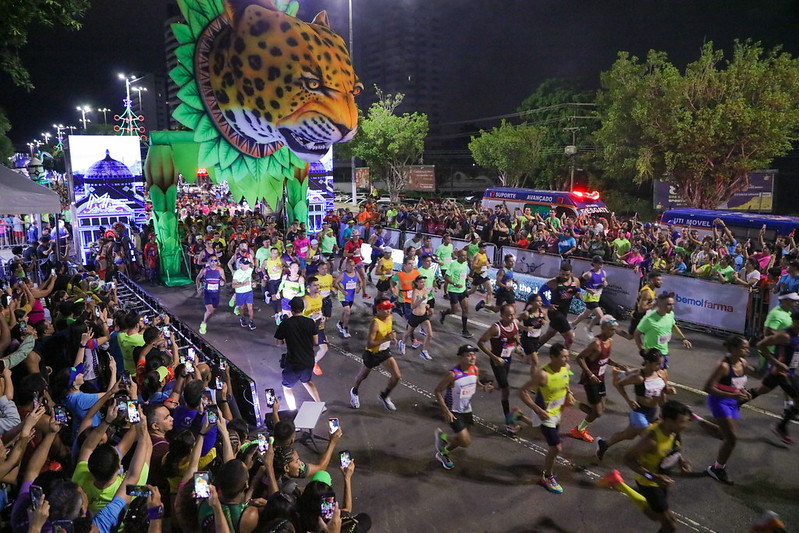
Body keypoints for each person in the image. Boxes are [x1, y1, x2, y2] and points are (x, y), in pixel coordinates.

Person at [597, 400, 693, 533]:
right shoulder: (651, 440)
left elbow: (673, 446)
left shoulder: (673, 431)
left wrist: (681, 460)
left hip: (661, 479)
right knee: (670, 526)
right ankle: (618, 483)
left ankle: (618, 483)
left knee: (655, 516)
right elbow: (628, 459)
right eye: (682, 422)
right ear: (669, 421)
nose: (685, 425)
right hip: (649, 482)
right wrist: (652, 476)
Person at [595, 349, 675, 461]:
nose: (661, 366)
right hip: (639, 412)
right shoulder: (639, 377)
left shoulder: (662, 373)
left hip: (653, 411)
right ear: (648, 363)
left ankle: (603, 444)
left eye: (661, 363)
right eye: (658, 363)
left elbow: (664, 389)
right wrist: (628, 400)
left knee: (628, 435)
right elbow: (619, 384)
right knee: (649, 439)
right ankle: (656, 462)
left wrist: (669, 390)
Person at [518, 343, 574, 494]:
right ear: (553, 357)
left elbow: (565, 380)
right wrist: (538, 410)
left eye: (567, 356)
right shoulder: (543, 375)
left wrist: (568, 392)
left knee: (540, 434)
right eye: (563, 356)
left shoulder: (566, 368)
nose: (567, 359)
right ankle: (547, 477)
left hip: (557, 412)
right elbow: (522, 392)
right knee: (556, 447)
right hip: (544, 413)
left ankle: (519, 417)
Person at [433, 344, 495, 469]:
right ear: (460, 357)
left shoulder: (474, 369)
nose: (472, 358)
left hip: (467, 408)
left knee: (461, 439)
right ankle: (443, 437)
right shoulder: (453, 374)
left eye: (474, 354)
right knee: (465, 441)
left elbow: (475, 383)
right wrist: (446, 411)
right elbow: (437, 391)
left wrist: (484, 387)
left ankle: (443, 453)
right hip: (453, 410)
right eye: (468, 355)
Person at [701, 335, 752, 485]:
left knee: (724, 435)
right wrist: (732, 395)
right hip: (719, 402)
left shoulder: (743, 362)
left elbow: (739, 384)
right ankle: (717, 469)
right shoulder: (723, 366)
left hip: (733, 402)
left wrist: (745, 392)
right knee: (731, 438)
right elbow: (707, 388)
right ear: (735, 348)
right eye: (745, 348)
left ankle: (698, 420)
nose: (748, 350)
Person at [571, 315, 629, 443]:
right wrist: (590, 374)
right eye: (610, 330)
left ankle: (571, 402)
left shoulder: (609, 341)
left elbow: (604, 358)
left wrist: (616, 364)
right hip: (591, 380)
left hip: (600, 379)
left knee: (600, 410)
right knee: (597, 412)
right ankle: (578, 430)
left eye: (614, 330)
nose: (612, 333)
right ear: (602, 328)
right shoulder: (596, 343)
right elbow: (579, 358)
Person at [752, 309, 799, 445]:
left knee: (761, 390)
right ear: (796, 321)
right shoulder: (784, 335)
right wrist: (777, 363)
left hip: (789, 373)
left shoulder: (797, 333)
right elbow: (761, 345)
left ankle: (734, 403)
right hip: (781, 373)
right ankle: (781, 427)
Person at [477, 303, 523, 434]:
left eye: (513, 314)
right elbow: (480, 342)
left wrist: (518, 345)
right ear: (502, 315)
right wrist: (494, 357)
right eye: (509, 315)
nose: (512, 317)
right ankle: (509, 423)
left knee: (503, 386)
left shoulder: (515, 323)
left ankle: (489, 384)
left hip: (508, 359)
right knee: (506, 389)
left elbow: (516, 334)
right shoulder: (495, 328)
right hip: (497, 362)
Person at [349, 298, 400, 411]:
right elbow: (370, 344)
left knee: (397, 376)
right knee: (362, 376)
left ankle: (384, 396)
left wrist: (393, 337)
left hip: (384, 352)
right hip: (372, 354)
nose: (389, 311)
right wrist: (386, 339)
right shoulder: (375, 323)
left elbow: (388, 331)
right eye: (386, 309)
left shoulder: (390, 318)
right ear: (379, 310)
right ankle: (354, 391)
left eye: (390, 308)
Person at [275, 297, 321, 410]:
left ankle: (293, 410)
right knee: (307, 381)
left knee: (286, 387)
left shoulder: (286, 323)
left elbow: (278, 343)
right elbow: (315, 342)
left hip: (293, 363)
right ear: (303, 308)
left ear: (291, 310)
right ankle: (319, 404)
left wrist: (288, 338)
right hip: (308, 360)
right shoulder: (310, 322)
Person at [634, 291, 692, 369]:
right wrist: (643, 351)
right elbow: (637, 334)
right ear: (659, 305)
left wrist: (683, 338)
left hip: (664, 352)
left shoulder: (670, 314)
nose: (672, 307)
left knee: (661, 376)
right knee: (655, 376)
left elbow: (673, 326)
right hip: (652, 354)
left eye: (673, 304)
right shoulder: (648, 319)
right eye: (668, 305)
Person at [536, 261, 582, 351]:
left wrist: (578, 293)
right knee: (570, 337)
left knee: (550, 333)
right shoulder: (554, 282)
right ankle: (564, 355)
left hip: (564, 311)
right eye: (562, 274)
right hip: (555, 312)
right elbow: (540, 293)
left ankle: (533, 348)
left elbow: (578, 289)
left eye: (567, 275)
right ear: (559, 272)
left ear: (571, 273)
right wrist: (548, 304)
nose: (564, 277)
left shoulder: (575, 281)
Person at [571, 255, 611, 339]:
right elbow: (577, 283)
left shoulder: (603, 273)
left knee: (585, 314)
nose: (601, 265)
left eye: (602, 263)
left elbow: (604, 283)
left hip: (597, 296)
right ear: (594, 264)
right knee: (600, 316)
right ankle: (589, 329)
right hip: (590, 297)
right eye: (599, 263)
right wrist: (587, 289)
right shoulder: (588, 274)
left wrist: (605, 283)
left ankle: (573, 324)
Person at [440, 249, 474, 338]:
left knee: (465, 309)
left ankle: (465, 330)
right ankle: (444, 313)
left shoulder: (465, 263)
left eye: (466, 255)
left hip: (462, 290)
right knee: (454, 310)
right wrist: (454, 284)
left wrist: (468, 277)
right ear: (458, 256)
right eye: (463, 256)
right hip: (453, 290)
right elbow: (446, 277)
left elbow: (462, 274)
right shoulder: (453, 264)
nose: (465, 257)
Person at [399, 275, 433, 361]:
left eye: (424, 282)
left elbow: (424, 303)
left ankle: (424, 352)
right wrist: (421, 300)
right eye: (421, 282)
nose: (423, 283)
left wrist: (426, 305)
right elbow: (412, 306)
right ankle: (402, 343)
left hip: (424, 316)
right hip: (415, 316)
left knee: (429, 334)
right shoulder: (415, 292)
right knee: (409, 332)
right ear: (417, 283)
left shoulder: (425, 290)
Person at [303, 276, 328, 376]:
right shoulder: (305, 299)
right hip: (307, 326)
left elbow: (319, 310)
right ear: (309, 287)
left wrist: (322, 320)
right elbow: (297, 315)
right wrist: (310, 316)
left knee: (324, 349)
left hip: (317, 325)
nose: (317, 287)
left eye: (318, 285)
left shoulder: (320, 297)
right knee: (308, 349)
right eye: (315, 285)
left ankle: (313, 362)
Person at [195, 254, 226, 334]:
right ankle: (203, 324)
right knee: (210, 310)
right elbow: (198, 278)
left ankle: (206, 320)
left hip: (216, 293)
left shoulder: (220, 270)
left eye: (215, 260)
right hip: (207, 293)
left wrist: (222, 282)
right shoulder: (205, 270)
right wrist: (198, 286)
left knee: (212, 311)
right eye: (211, 260)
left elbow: (224, 280)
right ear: (208, 261)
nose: (213, 262)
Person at [519, 293, 547, 373]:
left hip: (536, 338)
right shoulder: (526, 314)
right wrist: (524, 328)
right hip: (527, 339)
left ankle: (520, 354)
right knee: (535, 361)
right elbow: (515, 322)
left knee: (528, 360)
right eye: (537, 301)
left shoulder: (543, 312)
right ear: (532, 303)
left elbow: (545, 320)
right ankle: (534, 380)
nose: (540, 303)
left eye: (541, 301)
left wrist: (544, 322)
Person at [629, 271, 662, 337]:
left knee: (632, 336)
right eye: (658, 280)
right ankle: (614, 329)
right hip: (638, 317)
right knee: (631, 336)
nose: (661, 282)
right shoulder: (647, 292)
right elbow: (641, 309)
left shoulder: (651, 289)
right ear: (652, 281)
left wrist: (656, 299)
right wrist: (655, 304)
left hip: (644, 316)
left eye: (661, 280)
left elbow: (648, 300)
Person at [335, 258, 360, 338]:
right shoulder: (343, 274)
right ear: (346, 266)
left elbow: (361, 281)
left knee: (346, 312)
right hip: (343, 296)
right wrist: (342, 290)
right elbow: (335, 283)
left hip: (351, 296)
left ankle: (340, 323)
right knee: (348, 311)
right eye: (350, 266)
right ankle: (345, 328)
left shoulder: (356, 273)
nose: (352, 267)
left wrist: (359, 288)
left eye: (353, 265)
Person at [232, 257, 256, 330]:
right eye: (245, 264)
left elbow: (250, 278)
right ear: (240, 264)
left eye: (248, 264)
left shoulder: (250, 270)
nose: (247, 266)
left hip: (249, 291)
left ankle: (251, 321)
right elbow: (233, 285)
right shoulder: (237, 273)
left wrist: (253, 283)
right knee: (242, 307)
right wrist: (243, 284)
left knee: (250, 307)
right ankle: (242, 318)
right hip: (240, 292)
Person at [467, 242, 493, 307]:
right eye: (483, 248)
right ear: (479, 248)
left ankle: (487, 305)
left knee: (490, 289)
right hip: (478, 275)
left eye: (486, 248)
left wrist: (488, 265)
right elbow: (473, 266)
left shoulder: (484, 254)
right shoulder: (477, 255)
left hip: (483, 274)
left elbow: (486, 261)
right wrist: (480, 265)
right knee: (473, 290)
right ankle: (463, 295)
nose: (485, 249)